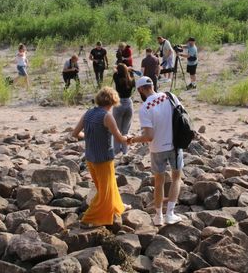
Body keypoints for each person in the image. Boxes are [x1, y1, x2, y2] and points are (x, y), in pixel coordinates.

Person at [71, 87, 133, 226]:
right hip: (103, 158)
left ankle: (118, 207)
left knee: (107, 186)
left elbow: (75, 134)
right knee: (105, 191)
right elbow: (119, 138)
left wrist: (89, 137)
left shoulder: (88, 113)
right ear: (113, 101)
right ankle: (88, 218)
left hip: (90, 157)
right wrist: (129, 138)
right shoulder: (107, 116)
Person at [133, 76, 184, 226]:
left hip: (156, 149)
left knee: (159, 182)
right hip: (175, 145)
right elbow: (182, 117)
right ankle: (170, 213)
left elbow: (149, 136)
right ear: (152, 85)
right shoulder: (170, 96)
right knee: (176, 178)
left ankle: (158, 217)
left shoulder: (144, 108)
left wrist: (133, 139)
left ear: (140, 90)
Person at [112, 64, 135, 155]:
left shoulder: (117, 77)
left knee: (117, 129)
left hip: (119, 103)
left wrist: (119, 68)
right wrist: (128, 69)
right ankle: (125, 151)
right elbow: (131, 75)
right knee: (126, 130)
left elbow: (114, 70)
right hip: (129, 103)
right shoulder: (131, 79)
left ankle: (117, 150)